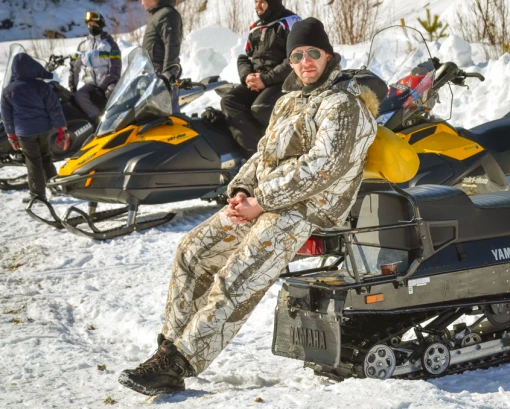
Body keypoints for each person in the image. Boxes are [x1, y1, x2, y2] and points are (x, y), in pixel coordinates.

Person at [118, 17, 380, 396]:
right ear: (289, 62)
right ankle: (168, 350)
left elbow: (323, 167)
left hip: (310, 207)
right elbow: (264, 153)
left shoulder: (343, 104)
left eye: (312, 53)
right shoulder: (290, 99)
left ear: (328, 56)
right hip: (268, 200)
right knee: (192, 251)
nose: (304, 62)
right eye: (296, 56)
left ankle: (181, 360)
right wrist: (242, 187)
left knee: (238, 274)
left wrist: (263, 201)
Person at [219, 0, 301, 155]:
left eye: (262, 2)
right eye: (256, 1)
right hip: (260, 82)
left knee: (261, 109)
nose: (258, 5)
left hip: (285, 82)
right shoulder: (256, 28)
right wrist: (247, 76)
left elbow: (295, 59)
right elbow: (245, 58)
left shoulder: (291, 22)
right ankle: (256, 156)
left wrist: (266, 79)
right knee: (230, 102)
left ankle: (284, 152)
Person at [1, 54, 68, 203]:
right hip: (44, 130)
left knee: (33, 161)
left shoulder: (8, 91)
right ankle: (55, 187)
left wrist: (11, 136)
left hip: (24, 133)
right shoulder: (42, 86)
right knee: (46, 156)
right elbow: (54, 108)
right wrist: (61, 128)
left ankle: (38, 195)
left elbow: (6, 117)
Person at [69, 11, 121, 123]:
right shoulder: (82, 46)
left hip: (108, 83)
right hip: (91, 84)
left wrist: (101, 87)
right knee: (79, 96)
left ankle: (116, 118)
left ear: (100, 24)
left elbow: (115, 70)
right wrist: (72, 86)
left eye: (94, 24)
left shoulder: (110, 44)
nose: (91, 26)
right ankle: (97, 119)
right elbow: (74, 67)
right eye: (89, 24)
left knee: (112, 92)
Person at [141, 0, 183, 113]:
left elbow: (172, 45)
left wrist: (167, 74)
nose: (142, 3)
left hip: (161, 76)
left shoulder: (166, 14)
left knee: (167, 118)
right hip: (155, 76)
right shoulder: (161, 14)